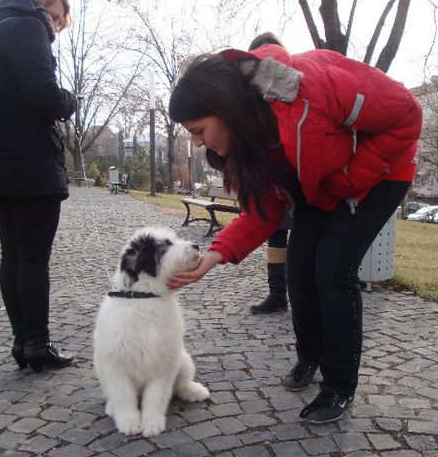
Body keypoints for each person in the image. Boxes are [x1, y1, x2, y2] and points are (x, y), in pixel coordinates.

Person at [168, 43, 422, 423]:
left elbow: (407, 113)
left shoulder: (312, 85)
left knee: (332, 272)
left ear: (225, 108)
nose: (199, 142)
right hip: (323, 188)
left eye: (199, 130)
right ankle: (310, 357)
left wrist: (351, 178)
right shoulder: (249, 142)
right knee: (299, 269)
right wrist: (213, 257)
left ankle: (338, 386)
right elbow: (261, 214)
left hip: (380, 175)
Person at [0, 0, 77, 372]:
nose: (57, 28)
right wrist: (69, 101)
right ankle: (37, 344)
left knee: (13, 255)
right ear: (44, 5)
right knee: (32, 258)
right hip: (29, 160)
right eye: (58, 19)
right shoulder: (29, 27)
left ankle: (21, 340)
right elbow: (43, 96)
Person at [246, 33, 290, 316]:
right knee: (276, 235)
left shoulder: (289, 83)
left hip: (297, 171)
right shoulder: (252, 93)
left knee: (307, 237)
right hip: (274, 175)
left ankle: (302, 294)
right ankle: (278, 294)